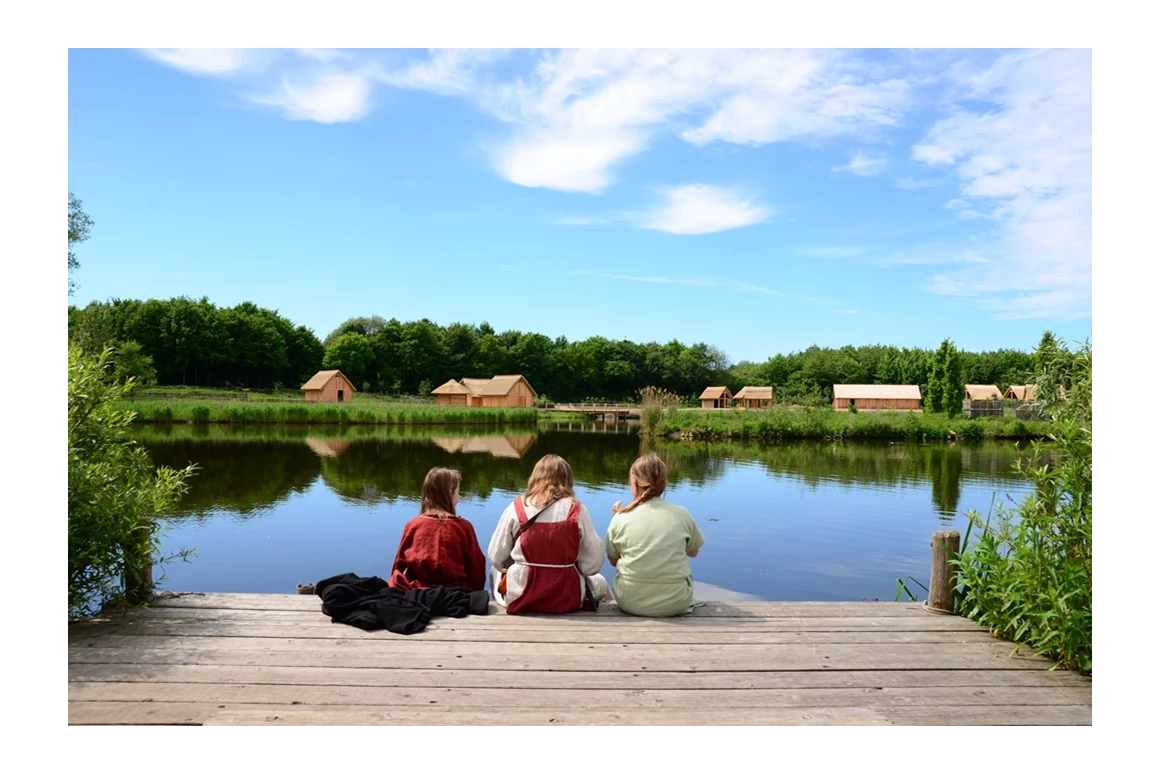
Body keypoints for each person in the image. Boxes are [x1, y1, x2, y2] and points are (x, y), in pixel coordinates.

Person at [488, 454, 610, 614]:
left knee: (493, 571)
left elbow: (496, 557)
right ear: (567, 479)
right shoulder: (577, 510)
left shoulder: (516, 507)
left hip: (520, 597)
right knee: (601, 581)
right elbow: (593, 564)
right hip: (567, 598)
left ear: (535, 477)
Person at [605, 453, 705, 617]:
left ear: (634, 483)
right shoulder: (682, 514)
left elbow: (613, 560)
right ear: (665, 484)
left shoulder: (620, 518)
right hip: (676, 601)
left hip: (630, 601)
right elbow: (693, 552)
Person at [388, 467, 486, 592]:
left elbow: (399, 565)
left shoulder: (413, 525)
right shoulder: (463, 527)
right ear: (449, 493)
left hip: (417, 590)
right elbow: (476, 568)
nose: (459, 497)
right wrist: (476, 592)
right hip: (454, 592)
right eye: (457, 492)